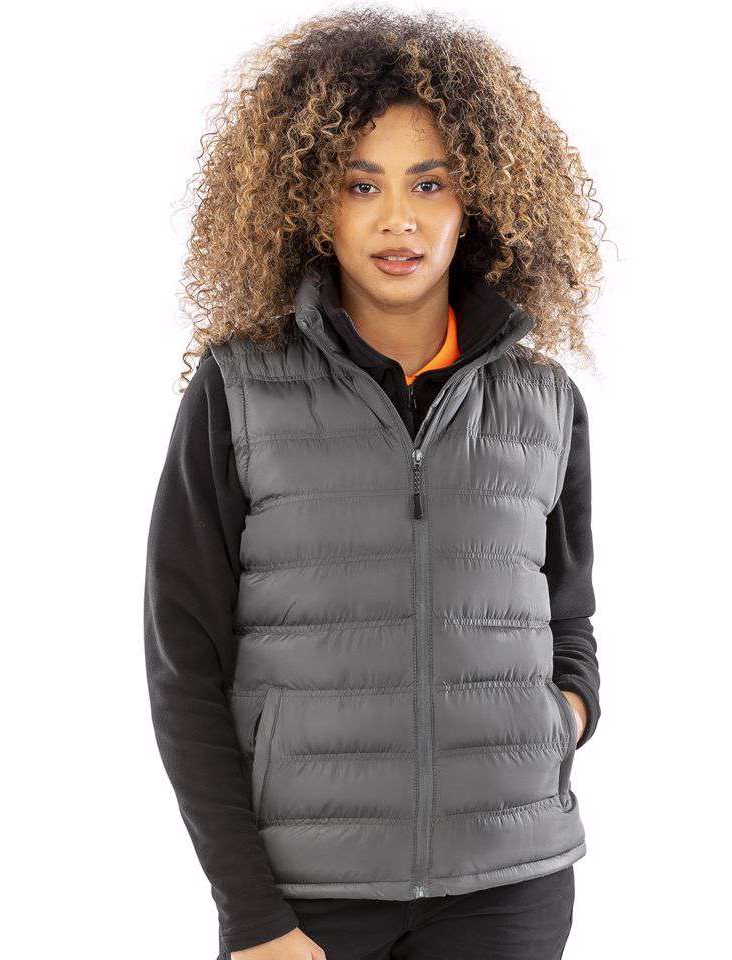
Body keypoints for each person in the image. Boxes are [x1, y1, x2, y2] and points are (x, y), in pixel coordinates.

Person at [144, 9, 604, 960]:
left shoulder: (543, 401)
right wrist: (253, 913)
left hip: (509, 889)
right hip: (307, 897)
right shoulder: (239, 390)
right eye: (362, 185)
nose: (399, 219)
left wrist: (565, 716)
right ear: (312, 204)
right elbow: (184, 663)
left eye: (429, 183)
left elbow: (569, 616)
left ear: (478, 200)